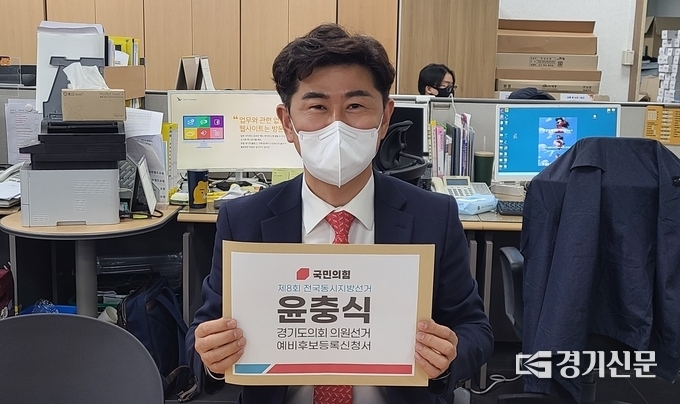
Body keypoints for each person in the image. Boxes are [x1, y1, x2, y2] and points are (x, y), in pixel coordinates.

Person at [187, 23, 493, 404]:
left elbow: (475, 329)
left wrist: (448, 356)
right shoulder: (243, 220)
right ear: (287, 122)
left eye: (355, 106)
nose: (336, 125)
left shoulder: (434, 216)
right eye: (317, 106)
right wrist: (211, 356)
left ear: (385, 117)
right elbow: (200, 338)